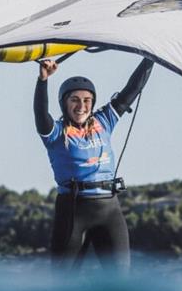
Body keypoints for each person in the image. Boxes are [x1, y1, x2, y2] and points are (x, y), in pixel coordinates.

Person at [34, 56, 153, 271]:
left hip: (109, 210)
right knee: (63, 284)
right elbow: (41, 114)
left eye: (87, 100)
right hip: (73, 211)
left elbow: (132, 90)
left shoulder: (104, 121)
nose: (81, 106)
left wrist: (150, 57)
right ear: (64, 103)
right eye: (75, 100)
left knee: (119, 283)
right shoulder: (56, 133)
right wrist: (43, 80)